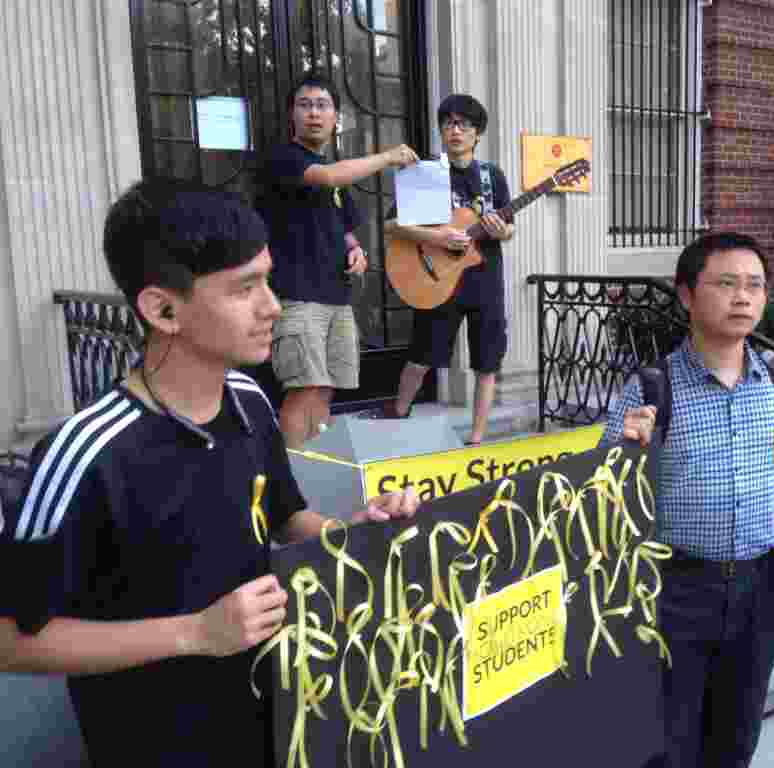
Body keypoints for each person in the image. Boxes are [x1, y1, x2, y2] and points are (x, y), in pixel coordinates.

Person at [0, 181, 419, 768]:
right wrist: (196, 632)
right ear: (162, 309)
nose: (272, 305)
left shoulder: (250, 402)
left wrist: (348, 535)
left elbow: (284, 517)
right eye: (245, 288)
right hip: (156, 744)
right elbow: (13, 641)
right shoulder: (84, 457)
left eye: (267, 280)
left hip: (274, 722)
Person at [602, 232, 774, 768]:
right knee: (670, 737)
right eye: (726, 284)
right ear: (686, 295)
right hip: (677, 588)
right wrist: (630, 451)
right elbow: (610, 496)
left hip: (760, 585)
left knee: (738, 731)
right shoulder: (651, 388)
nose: (743, 297)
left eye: (755, 286)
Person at [260, 72, 418, 447]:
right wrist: (388, 156)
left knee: (327, 389)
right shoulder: (285, 158)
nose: (314, 113)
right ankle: (292, 482)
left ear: (335, 117)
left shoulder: (333, 178)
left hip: (337, 298)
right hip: (297, 298)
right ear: (291, 116)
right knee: (303, 390)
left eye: (322, 105)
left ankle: (317, 466)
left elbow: (344, 226)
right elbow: (328, 177)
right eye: (305, 104)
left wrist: (356, 250)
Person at [380, 94, 514, 445]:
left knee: (487, 363)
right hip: (436, 280)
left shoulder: (492, 177)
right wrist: (437, 237)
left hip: (485, 280)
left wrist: (505, 231)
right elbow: (392, 226)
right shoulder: (426, 173)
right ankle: (398, 412)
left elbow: (507, 226)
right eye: (449, 123)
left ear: (477, 133)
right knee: (423, 356)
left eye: (464, 124)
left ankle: (476, 440)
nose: (455, 130)